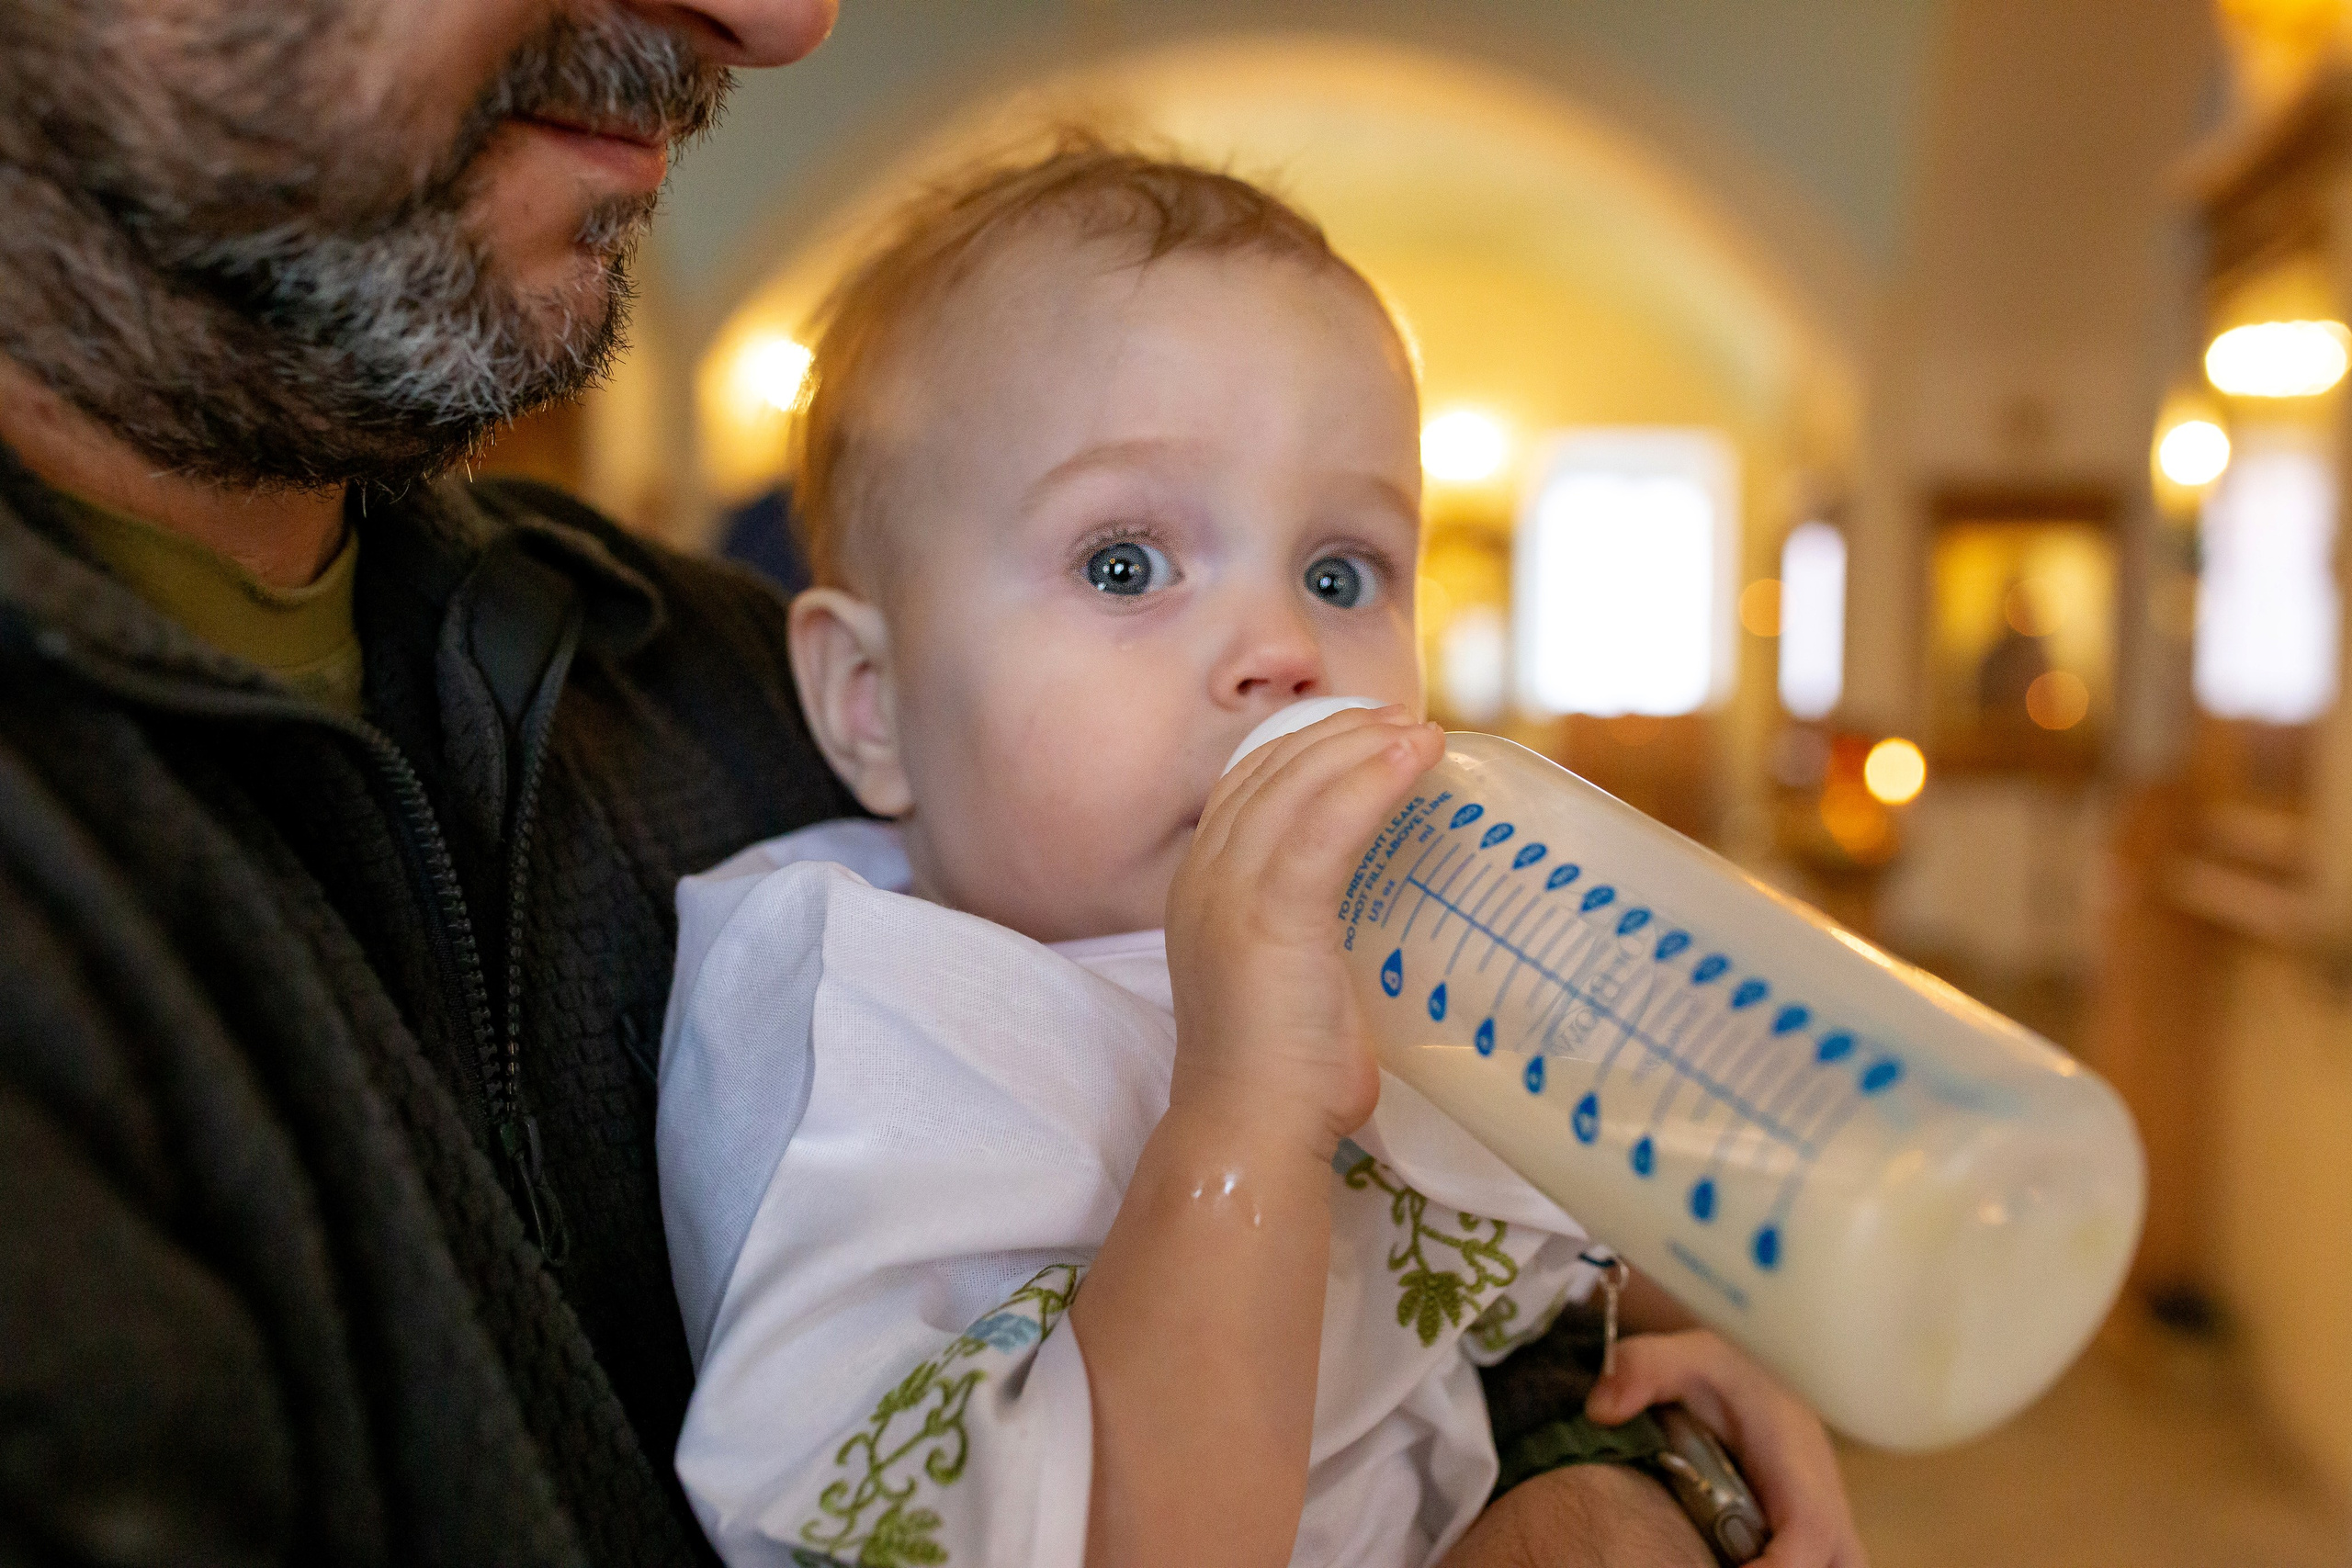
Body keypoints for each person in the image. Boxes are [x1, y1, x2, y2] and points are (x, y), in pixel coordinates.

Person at [658, 146, 1865, 1568]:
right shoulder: (862, 1023)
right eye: (1124, 564)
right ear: (874, 704)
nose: (1285, 651)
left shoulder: (1390, 940)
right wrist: (1246, 1109)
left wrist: (1677, 1352)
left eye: (1342, 571)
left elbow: (1530, 1233)